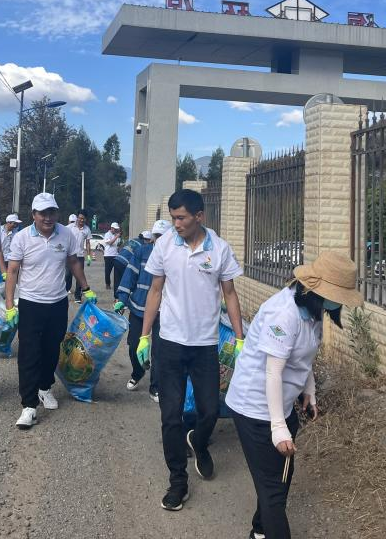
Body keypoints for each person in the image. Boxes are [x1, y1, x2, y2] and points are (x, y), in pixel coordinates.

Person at [225, 251, 360, 539]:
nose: (338, 304)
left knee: (281, 477)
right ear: (318, 291)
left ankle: (260, 530)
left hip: (282, 403)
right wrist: (277, 426)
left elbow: (302, 358)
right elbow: (272, 372)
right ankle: (266, 530)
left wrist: (309, 390)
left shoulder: (312, 310)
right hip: (254, 406)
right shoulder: (284, 313)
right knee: (273, 489)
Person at [137, 189, 245, 511]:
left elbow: (230, 294)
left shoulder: (220, 249)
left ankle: (198, 441)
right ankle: (178, 481)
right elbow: (155, 291)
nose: (176, 224)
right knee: (170, 416)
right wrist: (144, 336)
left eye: (181, 218)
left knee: (210, 410)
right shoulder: (164, 245)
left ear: (199, 216)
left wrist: (240, 338)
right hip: (170, 343)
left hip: (204, 345)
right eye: (173, 218)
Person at [4, 193, 95, 430]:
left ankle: (44, 387)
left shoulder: (66, 234)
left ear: (57, 213)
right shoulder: (22, 238)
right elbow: (12, 271)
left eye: (51, 212)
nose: (48, 218)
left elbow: (73, 262)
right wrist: (10, 305)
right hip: (31, 303)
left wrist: (86, 288)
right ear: (33, 215)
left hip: (57, 303)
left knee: (52, 349)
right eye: (42, 213)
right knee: (29, 353)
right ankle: (28, 406)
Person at [115, 219, 170, 401]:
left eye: (163, 236)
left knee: (159, 351)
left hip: (163, 311)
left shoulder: (175, 256)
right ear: (153, 237)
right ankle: (138, 372)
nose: (160, 239)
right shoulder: (142, 252)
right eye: (157, 236)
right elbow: (129, 275)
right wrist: (122, 299)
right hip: (139, 307)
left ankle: (156, 386)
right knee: (134, 345)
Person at [65, 210, 93, 303]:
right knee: (67, 275)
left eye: (83, 219)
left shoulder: (87, 229)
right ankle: (65, 292)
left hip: (80, 255)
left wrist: (88, 256)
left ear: (86, 219)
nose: (81, 220)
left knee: (79, 276)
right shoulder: (69, 227)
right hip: (69, 255)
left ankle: (78, 297)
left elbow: (88, 243)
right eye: (80, 218)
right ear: (77, 218)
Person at [102, 222, 122, 290]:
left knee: (117, 271)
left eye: (117, 229)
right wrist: (116, 236)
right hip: (108, 255)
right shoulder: (107, 234)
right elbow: (110, 243)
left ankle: (117, 284)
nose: (116, 230)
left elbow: (118, 245)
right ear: (111, 228)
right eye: (115, 229)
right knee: (108, 271)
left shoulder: (117, 235)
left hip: (116, 255)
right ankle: (107, 284)